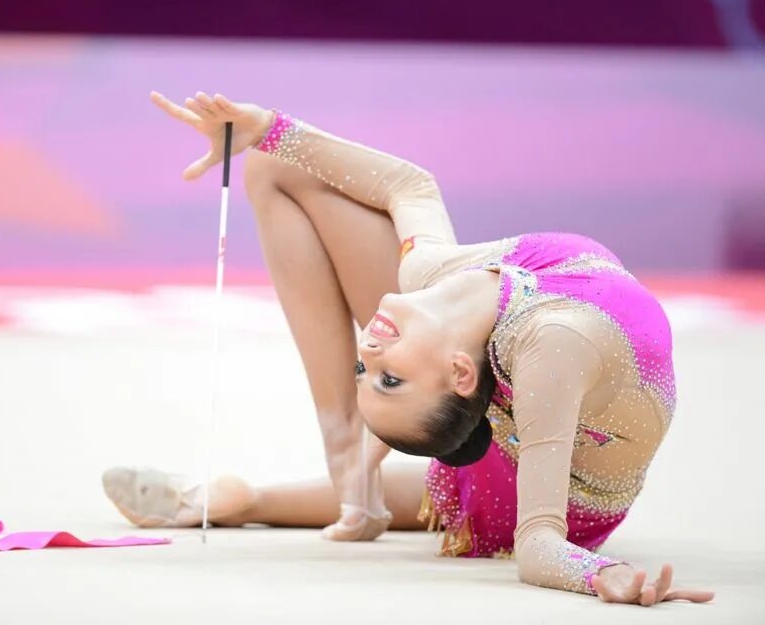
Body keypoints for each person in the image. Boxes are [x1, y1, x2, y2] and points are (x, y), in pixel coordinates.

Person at [102, 91, 714, 606]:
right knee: (270, 165)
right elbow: (408, 185)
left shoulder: (490, 312)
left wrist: (601, 576)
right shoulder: (489, 307)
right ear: (458, 373)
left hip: (546, 482)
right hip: (517, 431)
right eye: (385, 377)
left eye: (364, 371)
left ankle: (254, 498)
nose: (367, 346)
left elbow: (537, 543)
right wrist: (263, 128)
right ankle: (347, 458)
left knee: (265, 155)